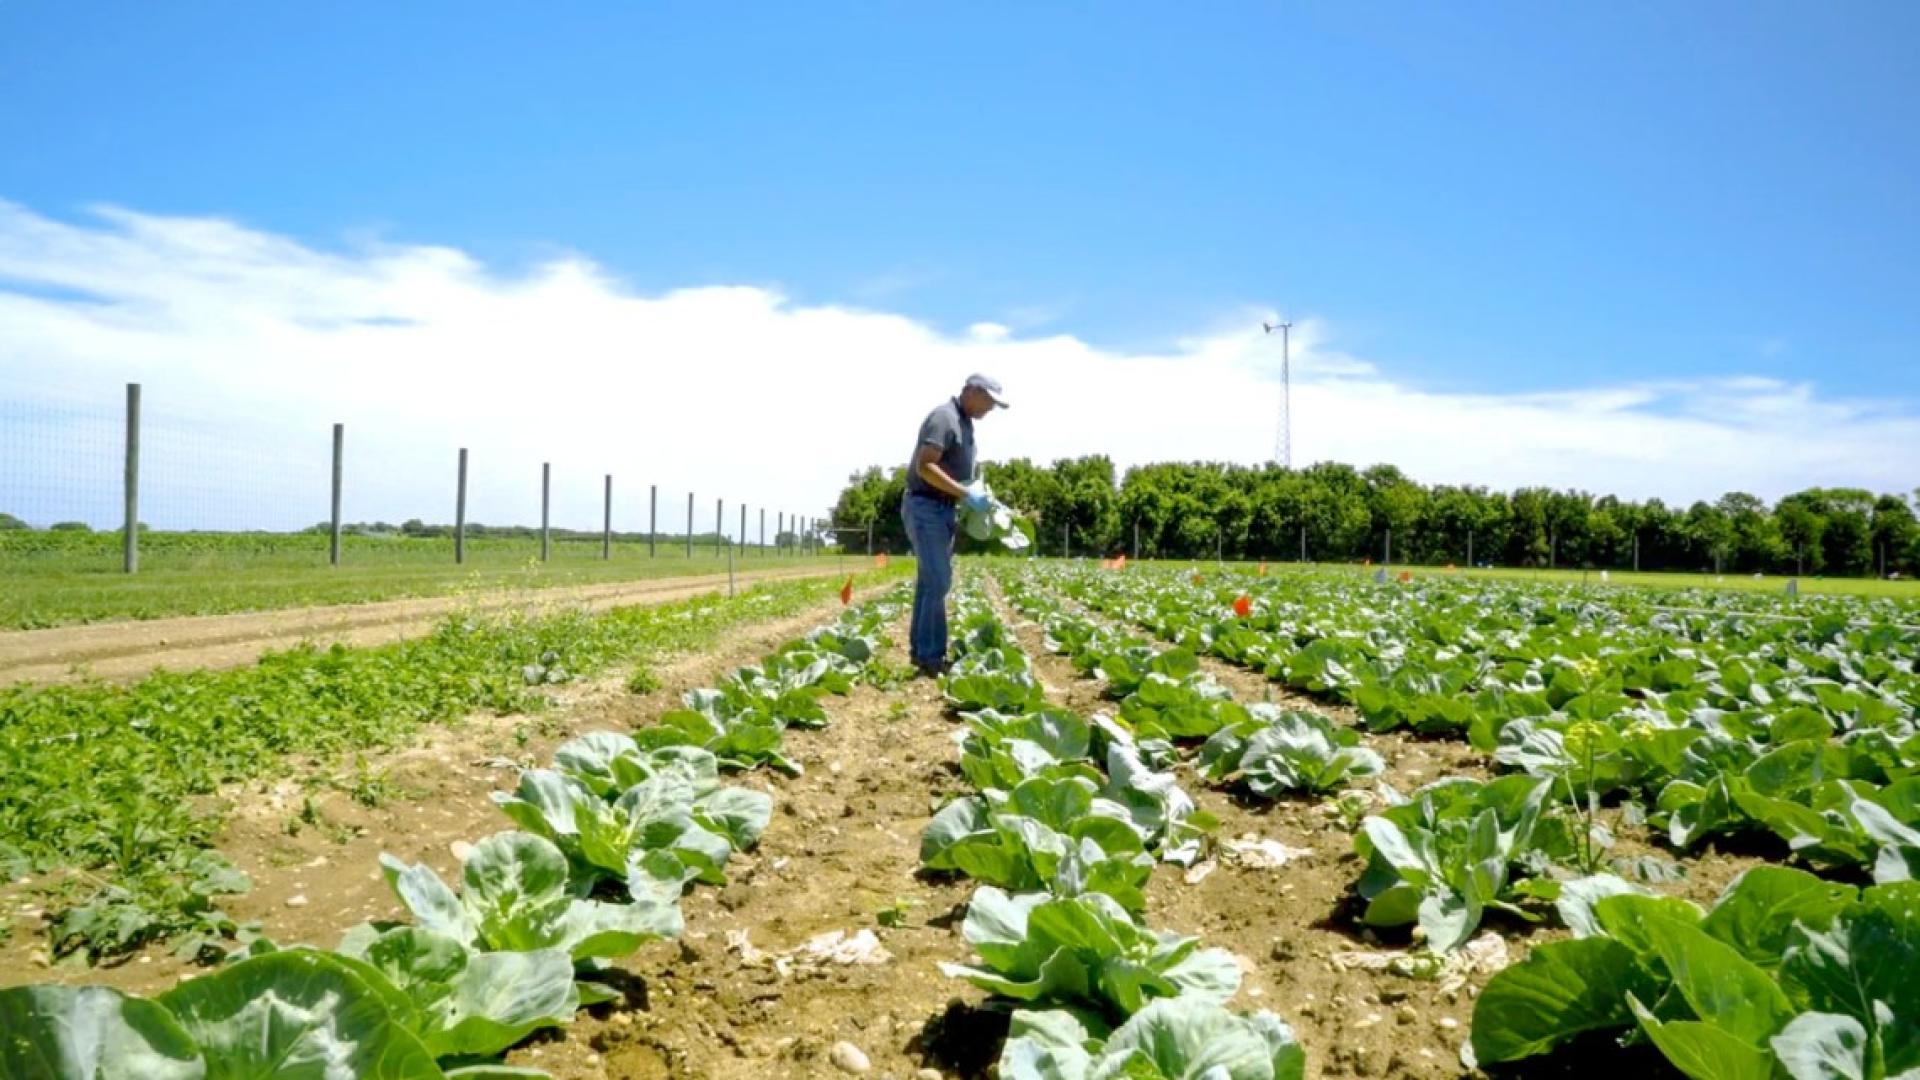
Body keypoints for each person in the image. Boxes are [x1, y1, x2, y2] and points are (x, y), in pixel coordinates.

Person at [902, 374, 1009, 675]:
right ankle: (932, 658)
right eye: (988, 401)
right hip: (925, 506)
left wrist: (977, 494)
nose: (989, 409)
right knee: (939, 581)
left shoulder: (965, 424)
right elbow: (925, 466)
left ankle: (922, 653)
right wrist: (966, 494)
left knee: (929, 582)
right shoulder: (944, 418)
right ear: (971, 391)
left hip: (943, 509)